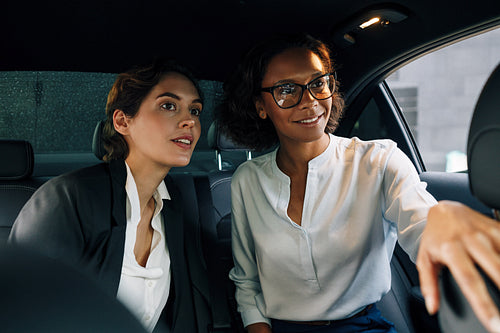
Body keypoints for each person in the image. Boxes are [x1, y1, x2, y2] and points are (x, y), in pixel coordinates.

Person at [217, 33, 500, 333]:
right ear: (261, 106)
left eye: (318, 83)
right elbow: (247, 282)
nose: (310, 101)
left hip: (364, 327)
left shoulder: (379, 161)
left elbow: (420, 221)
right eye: (287, 90)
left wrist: (441, 222)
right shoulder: (247, 181)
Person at [8, 59, 203, 333]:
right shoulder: (67, 199)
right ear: (123, 121)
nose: (190, 121)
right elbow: (25, 310)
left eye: (195, 110)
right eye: (169, 106)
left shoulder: (176, 206)